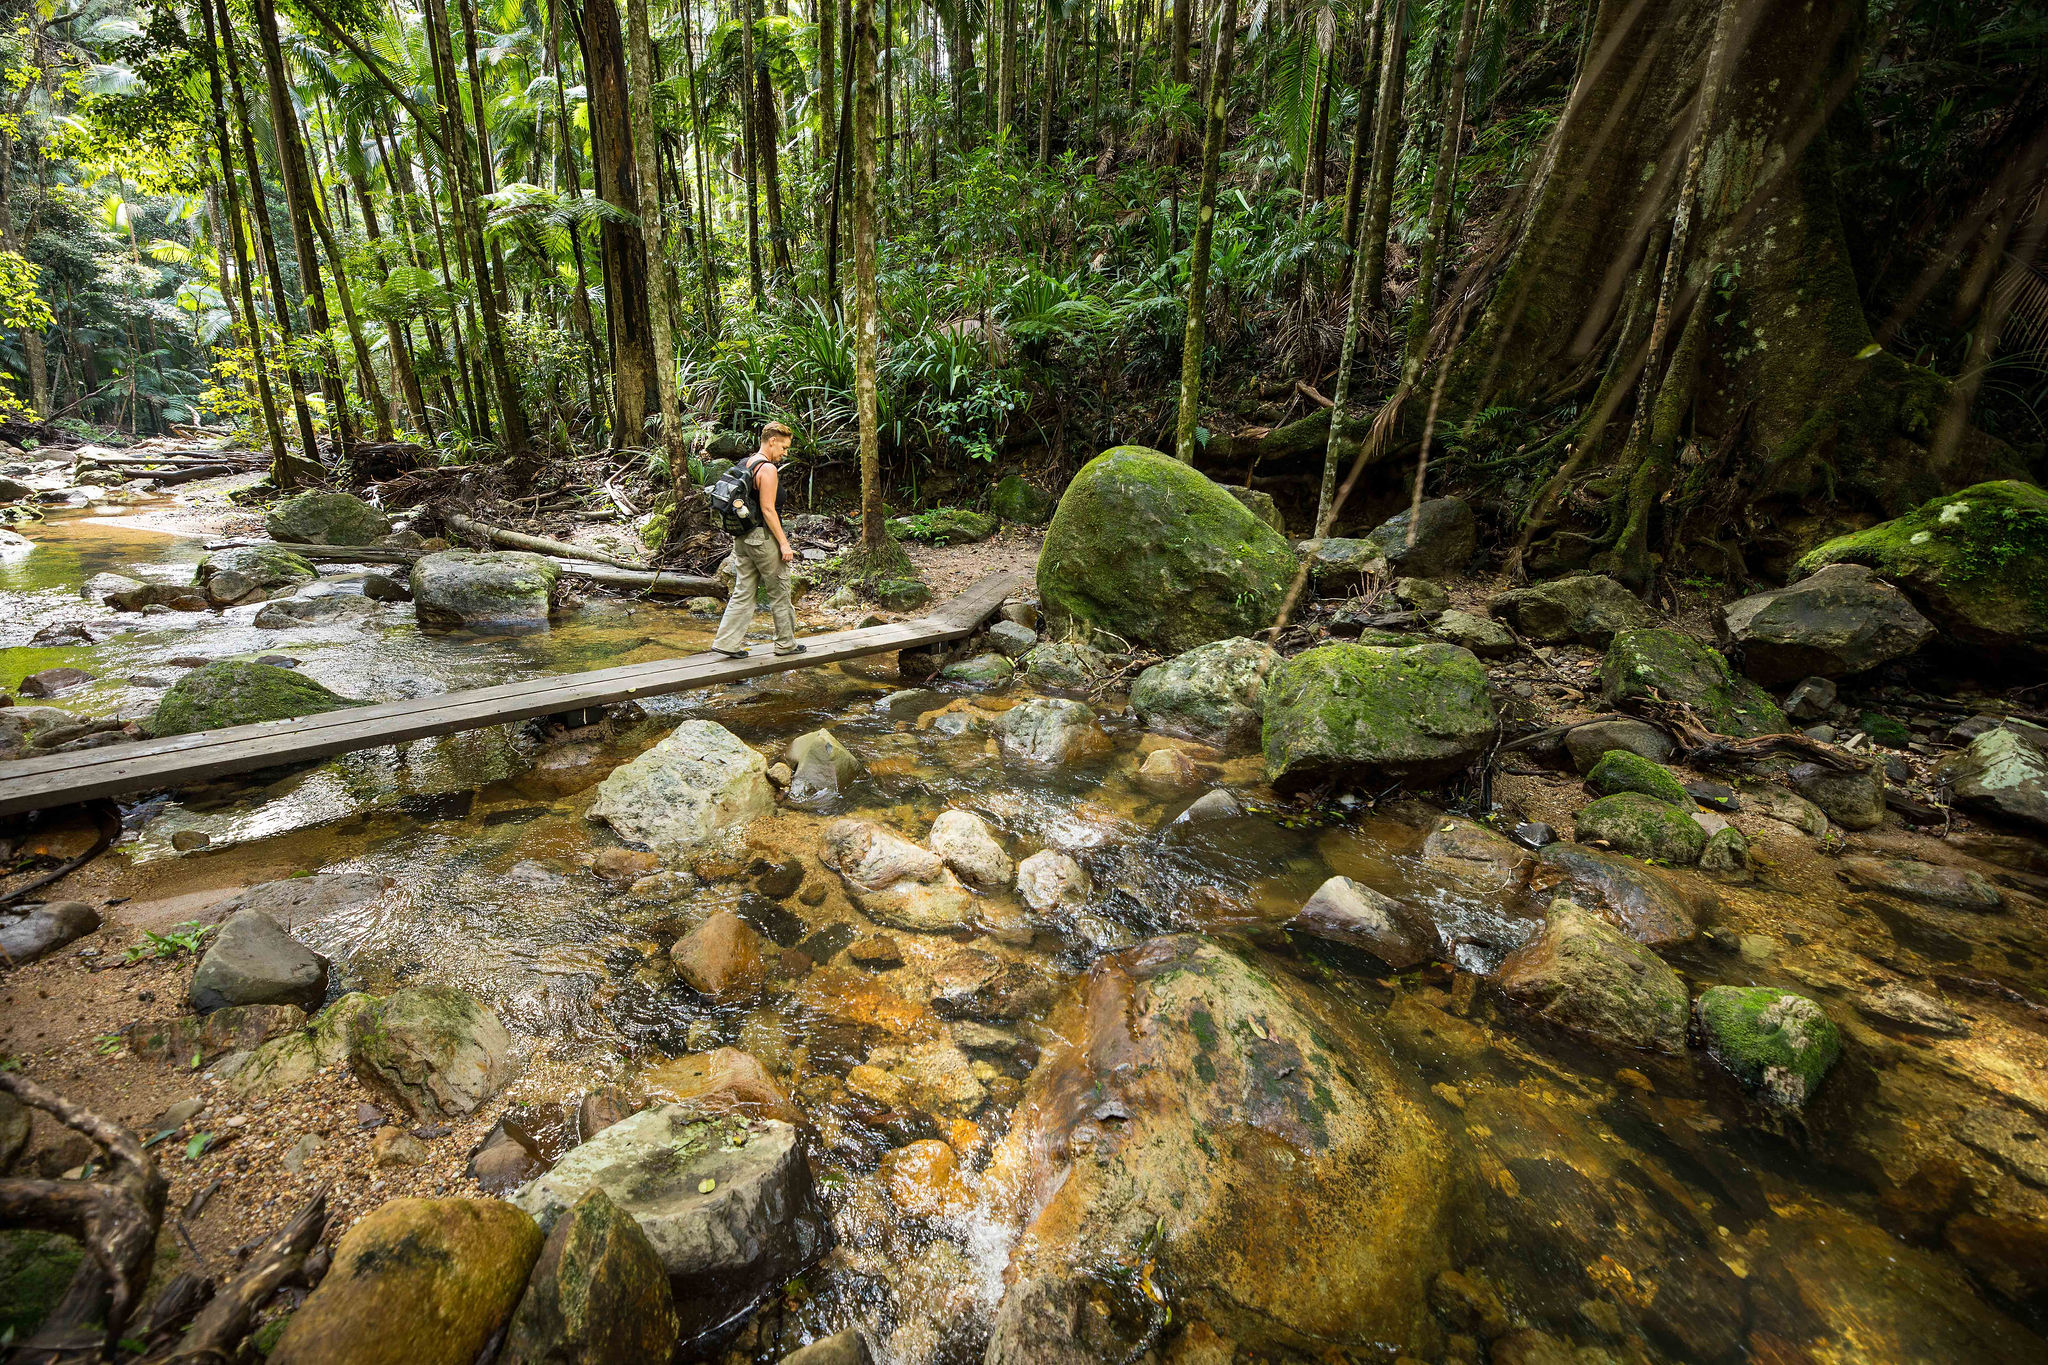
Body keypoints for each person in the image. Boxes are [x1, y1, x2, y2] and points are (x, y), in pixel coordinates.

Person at [710, 421, 805, 659]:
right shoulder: (768, 469)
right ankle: (786, 644)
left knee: (743, 590)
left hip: (742, 539)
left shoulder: (745, 463)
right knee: (780, 590)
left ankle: (726, 642)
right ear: (772, 440)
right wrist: (784, 543)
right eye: (783, 447)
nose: (784, 453)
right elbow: (768, 510)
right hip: (762, 538)